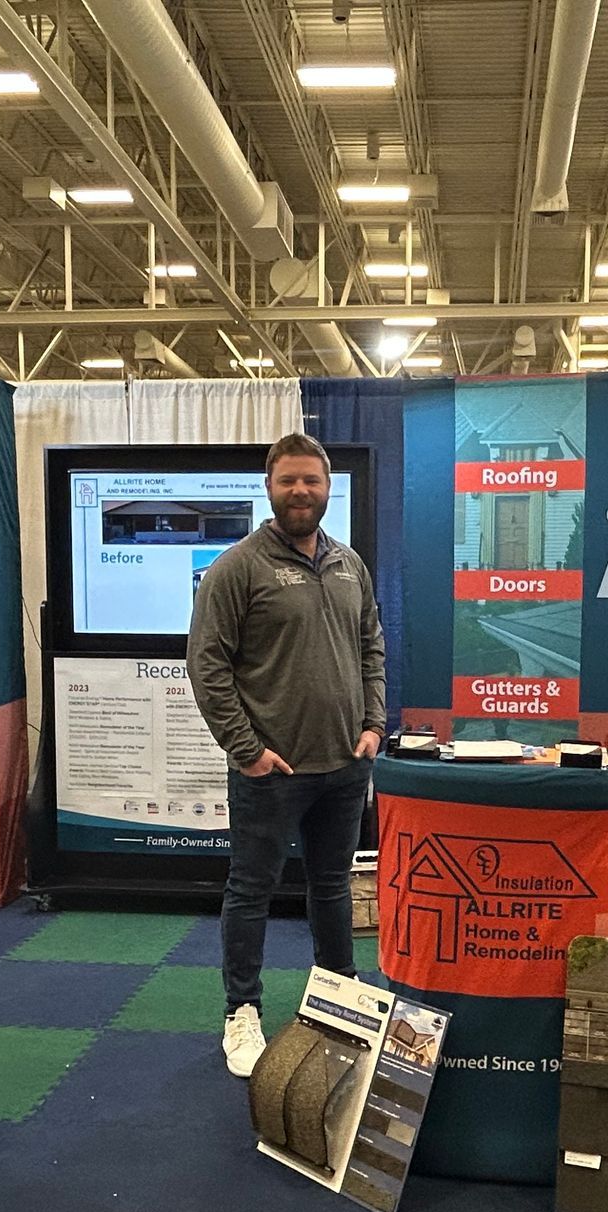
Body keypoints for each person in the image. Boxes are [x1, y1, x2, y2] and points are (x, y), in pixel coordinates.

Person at [187, 433, 386, 1076]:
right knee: (251, 891)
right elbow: (206, 664)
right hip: (271, 771)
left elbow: (371, 649)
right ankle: (241, 1014)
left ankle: (341, 1002)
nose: (301, 491)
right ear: (269, 488)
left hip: (344, 765)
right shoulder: (237, 567)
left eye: (312, 481)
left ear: (329, 489)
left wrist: (373, 725)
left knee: (331, 889)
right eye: (288, 481)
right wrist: (246, 751)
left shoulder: (349, 564)